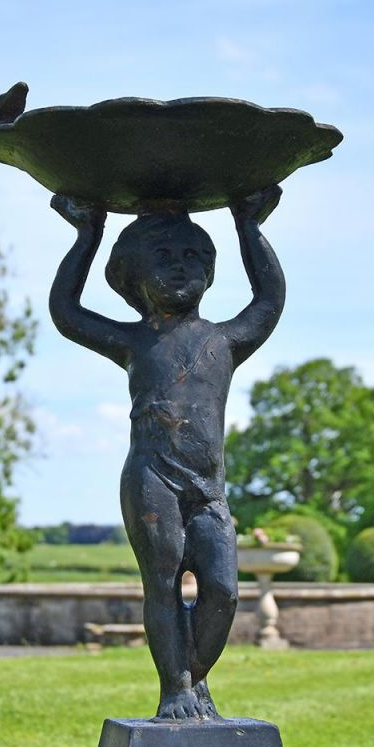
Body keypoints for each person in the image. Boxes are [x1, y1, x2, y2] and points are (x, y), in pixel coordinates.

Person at [49, 185, 285, 719]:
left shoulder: (225, 340)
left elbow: (269, 300)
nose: (181, 269)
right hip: (152, 479)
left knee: (222, 590)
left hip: (208, 490)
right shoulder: (136, 342)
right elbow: (66, 311)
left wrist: (249, 226)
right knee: (162, 585)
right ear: (132, 280)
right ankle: (176, 689)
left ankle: (192, 677)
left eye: (194, 257)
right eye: (162, 259)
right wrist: (88, 234)